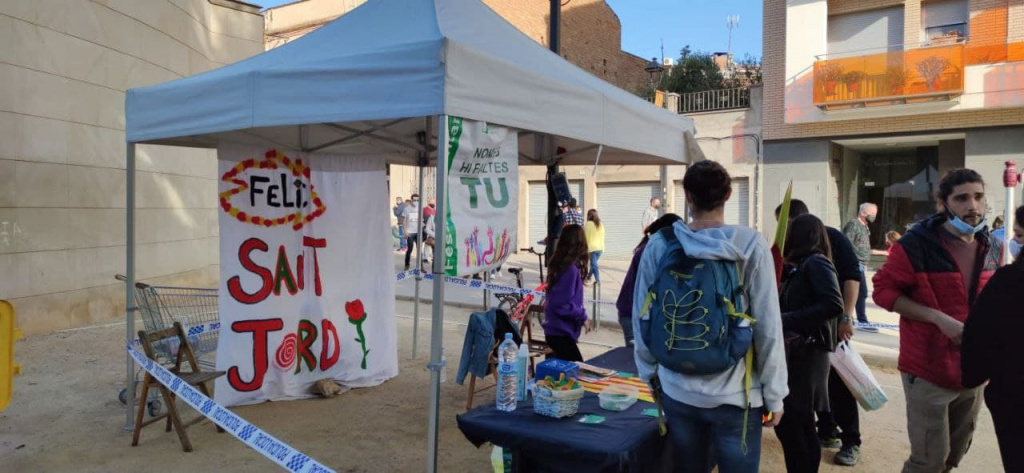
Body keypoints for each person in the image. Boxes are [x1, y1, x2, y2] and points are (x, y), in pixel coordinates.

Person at [633, 160, 788, 472]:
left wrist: (649, 375)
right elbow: (769, 327)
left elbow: (643, 315)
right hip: (737, 396)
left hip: (677, 390)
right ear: (728, 195)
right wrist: (775, 396)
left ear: (688, 196)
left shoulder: (660, 244)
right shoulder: (749, 245)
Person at [873, 168, 1003, 473]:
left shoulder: (993, 247)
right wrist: (937, 318)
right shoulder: (915, 244)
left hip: (973, 370)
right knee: (928, 460)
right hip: (927, 368)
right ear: (944, 204)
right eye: (962, 198)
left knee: (954, 454)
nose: (973, 205)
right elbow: (882, 292)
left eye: (979, 196)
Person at [775, 200, 866, 466]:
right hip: (800, 352)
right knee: (796, 423)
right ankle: (827, 434)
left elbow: (833, 302)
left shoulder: (816, 263)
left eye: (787, 225)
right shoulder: (800, 264)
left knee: (799, 422)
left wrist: (785, 319)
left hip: (809, 352)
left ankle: (849, 438)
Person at [962, 205, 1024, 472]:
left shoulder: (1010, 281)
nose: (1014, 242)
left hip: (1014, 397)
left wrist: (974, 377)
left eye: (1020, 236)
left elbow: (979, 336)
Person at [615, 213, 682, 347]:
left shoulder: (652, 246)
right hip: (633, 312)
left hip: (636, 311)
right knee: (636, 360)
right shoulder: (652, 250)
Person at [542, 224, 591, 362]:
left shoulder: (565, 267)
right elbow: (562, 304)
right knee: (577, 370)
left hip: (560, 331)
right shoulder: (570, 270)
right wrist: (582, 317)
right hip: (559, 332)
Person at [842, 202, 885, 333]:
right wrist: (855, 261)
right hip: (855, 264)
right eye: (872, 213)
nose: (874, 216)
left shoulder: (865, 227)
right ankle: (860, 320)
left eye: (875, 214)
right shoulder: (854, 225)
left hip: (861, 264)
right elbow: (846, 243)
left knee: (860, 293)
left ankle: (856, 318)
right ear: (863, 212)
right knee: (860, 292)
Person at [583, 209, 605, 286]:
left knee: (594, 265)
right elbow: (603, 235)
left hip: (592, 248)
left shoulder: (588, 224)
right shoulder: (600, 224)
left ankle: (598, 281)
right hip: (600, 248)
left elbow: (585, 237)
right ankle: (588, 278)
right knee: (593, 265)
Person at [401, 194, 422, 271]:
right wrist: (405, 231)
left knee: (419, 250)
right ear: (411, 200)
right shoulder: (407, 209)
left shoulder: (420, 209)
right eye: (414, 200)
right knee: (410, 249)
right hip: (410, 232)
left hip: (418, 232)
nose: (416, 201)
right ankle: (407, 264)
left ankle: (420, 266)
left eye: (417, 200)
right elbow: (403, 220)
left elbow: (422, 219)